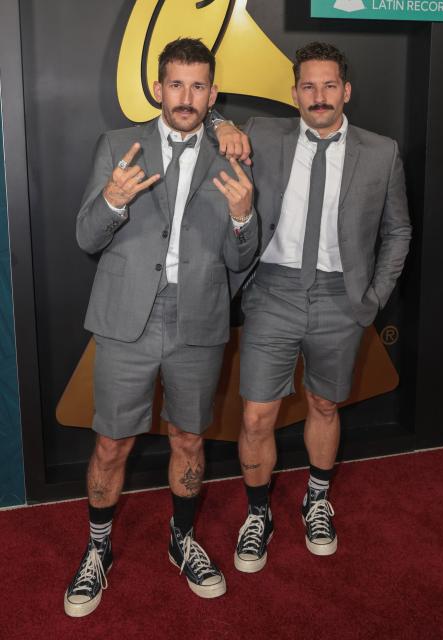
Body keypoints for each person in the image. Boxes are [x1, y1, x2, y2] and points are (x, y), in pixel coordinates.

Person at [64, 37, 256, 617]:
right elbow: (85, 237)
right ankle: (98, 550)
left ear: (212, 93)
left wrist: (244, 220)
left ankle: (183, 538)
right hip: (128, 317)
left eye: (199, 86)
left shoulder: (233, 155)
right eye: (176, 84)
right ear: (157, 88)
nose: (186, 96)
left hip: (198, 315)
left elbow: (241, 260)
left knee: (190, 439)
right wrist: (113, 202)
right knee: (112, 441)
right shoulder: (118, 146)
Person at [213, 41, 411, 572]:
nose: (318, 96)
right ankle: (259, 514)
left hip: (340, 298)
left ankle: (316, 501)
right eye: (308, 85)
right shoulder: (260, 133)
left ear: (346, 90)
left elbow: (398, 232)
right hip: (272, 291)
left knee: (324, 406)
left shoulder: (381, 151)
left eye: (329, 85)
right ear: (294, 91)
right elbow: (203, 118)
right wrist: (219, 127)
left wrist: (370, 301)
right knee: (256, 415)